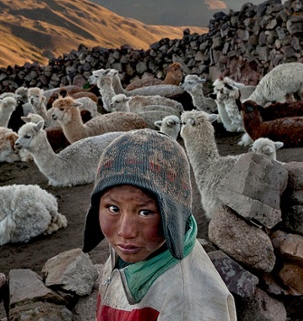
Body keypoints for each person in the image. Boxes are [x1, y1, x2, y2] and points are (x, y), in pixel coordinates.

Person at [83, 128, 238, 320]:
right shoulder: (130, 252)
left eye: (145, 212)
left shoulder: (185, 305)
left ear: (173, 216)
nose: (125, 231)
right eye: (113, 209)